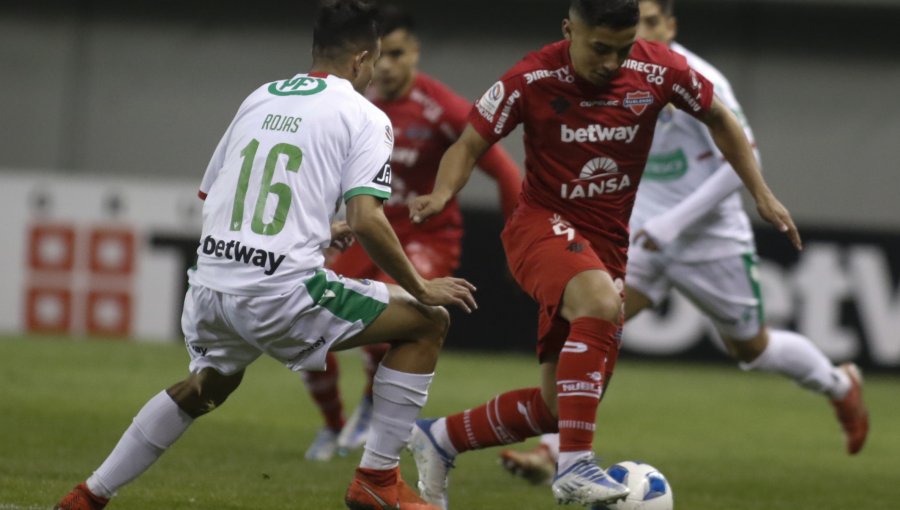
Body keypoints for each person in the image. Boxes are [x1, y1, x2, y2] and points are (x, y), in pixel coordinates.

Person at [52, 1, 476, 509]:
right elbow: (368, 218)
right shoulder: (366, 115)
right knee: (427, 320)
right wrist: (420, 284)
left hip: (210, 288)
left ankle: (88, 495)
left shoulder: (261, 98)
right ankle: (378, 480)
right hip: (278, 294)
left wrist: (317, 233)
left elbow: (217, 196)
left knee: (208, 385)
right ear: (362, 60)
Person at [404, 0, 802, 507]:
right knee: (598, 301)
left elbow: (722, 119)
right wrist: (442, 193)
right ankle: (573, 467)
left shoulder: (660, 69)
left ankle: (441, 438)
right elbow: (468, 145)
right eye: (599, 48)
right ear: (569, 29)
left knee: (558, 407)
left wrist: (762, 194)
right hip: (539, 228)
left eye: (623, 49)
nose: (612, 62)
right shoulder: (531, 77)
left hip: (609, 243)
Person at [496, 0, 870, 486]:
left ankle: (840, 385)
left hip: (710, 237)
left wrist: (674, 223)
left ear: (671, 24)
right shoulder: (607, 73)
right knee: (594, 322)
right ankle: (558, 453)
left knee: (750, 348)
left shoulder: (694, 74)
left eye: (653, 23)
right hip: (643, 235)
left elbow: (742, 157)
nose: (644, 34)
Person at [302, 5, 522, 462]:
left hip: (425, 238)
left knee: (391, 314)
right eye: (383, 54)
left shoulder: (441, 107)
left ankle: (369, 408)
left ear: (414, 53)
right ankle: (331, 426)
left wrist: (517, 238)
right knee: (302, 325)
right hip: (365, 232)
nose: (386, 65)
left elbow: (504, 171)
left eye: (398, 54)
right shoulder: (357, 101)